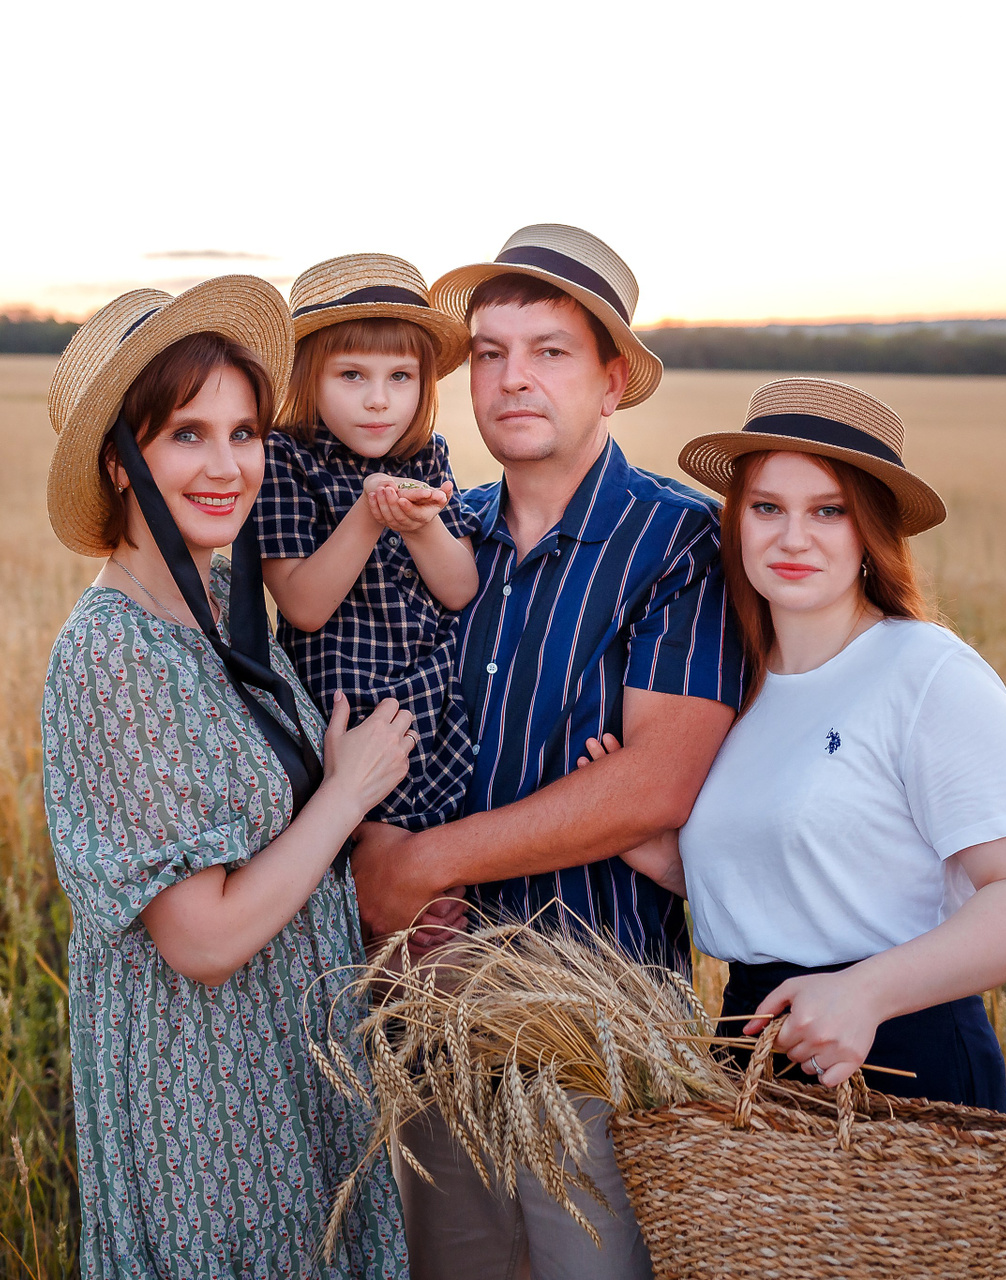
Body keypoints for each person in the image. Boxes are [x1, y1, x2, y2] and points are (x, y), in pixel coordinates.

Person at [352, 225, 744, 1280]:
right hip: (432, 1018)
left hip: (596, 1030)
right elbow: (359, 702)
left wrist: (424, 861)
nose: (512, 377)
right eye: (489, 353)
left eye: (549, 351)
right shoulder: (440, 530)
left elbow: (656, 781)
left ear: (613, 381)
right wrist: (375, 846)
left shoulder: (679, 541)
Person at [40, 278, 413, 1277]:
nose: (227, 466)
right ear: (121, 464)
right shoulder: (112, 651)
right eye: (187, 435)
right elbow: (200, 940)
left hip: (294, 1068)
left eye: (244, 433)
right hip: (207, 1107)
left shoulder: (216, 602)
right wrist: (346, 793)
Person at [654, 376, 1006, 1108]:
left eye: (829, 511)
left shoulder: (927, 673)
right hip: (752, 1047)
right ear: (737, 521)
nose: (792, 538)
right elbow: (786, 879)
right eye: (767, 508)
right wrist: (631, 827)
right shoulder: (730, 685)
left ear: (870, 531)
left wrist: (866, 994)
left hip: (900, 1050)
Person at [256, 254, 481, 834]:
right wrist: (368, 514)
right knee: (360, 856)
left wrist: (421, 526)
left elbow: (460, 589)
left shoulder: (426, 456)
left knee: (441, 855)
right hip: (340, 712)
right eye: (352, 375)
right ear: (308, 376)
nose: (379, 399)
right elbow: (303, 606)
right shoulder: (284, 459)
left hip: (435, 702)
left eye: (400, 376)